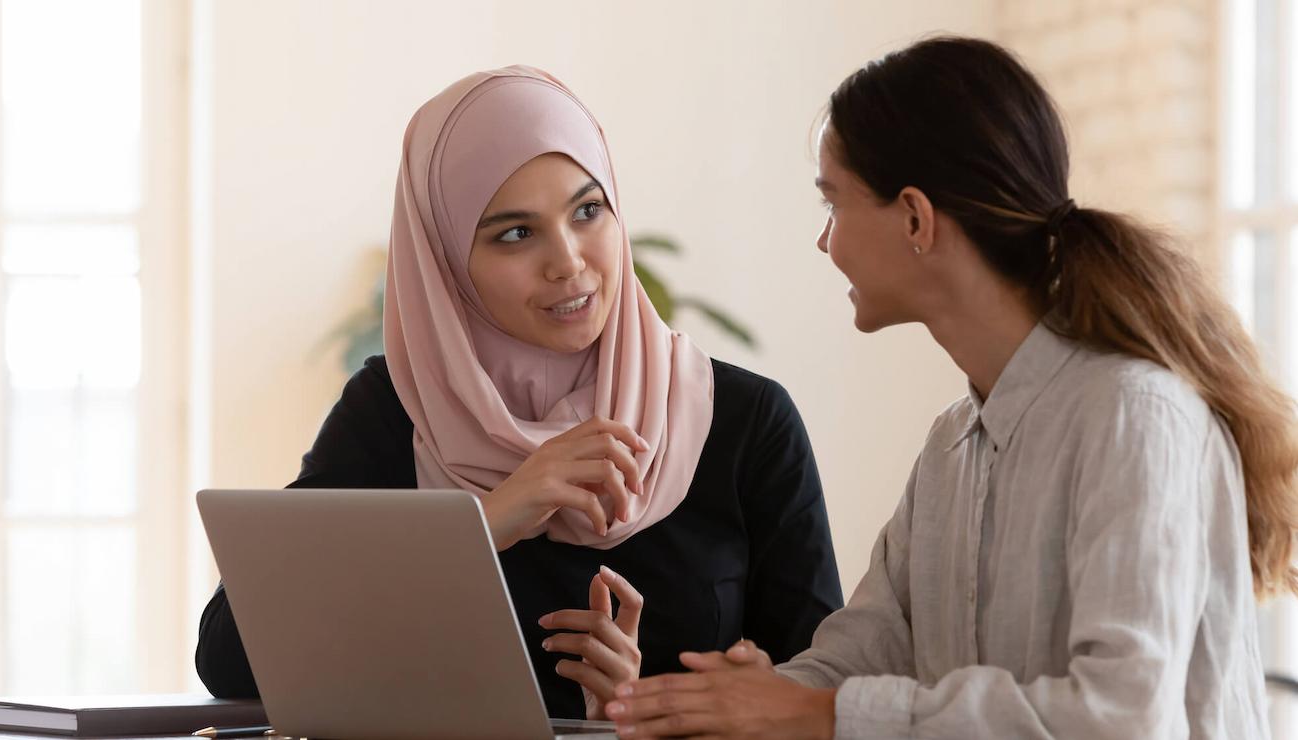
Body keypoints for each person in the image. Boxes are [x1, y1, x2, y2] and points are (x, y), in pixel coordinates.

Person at [605, 37, 1297, 738]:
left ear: (914, 218)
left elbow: (1120, 717)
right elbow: (859, 655)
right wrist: (727, 698)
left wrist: (817, 712)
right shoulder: (952, 446)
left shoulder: (1134, 417)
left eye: (834, 204)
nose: (825, 243)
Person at [193, 66, 843, 720]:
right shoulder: (398, 412)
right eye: (515, 233)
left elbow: (817, 697)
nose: (568, 262)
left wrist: (641, 712)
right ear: (446, 262)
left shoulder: (742, 421)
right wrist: (484, 523)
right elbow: (228, 656)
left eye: (588, 211)